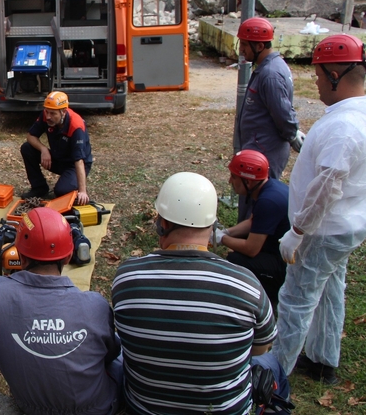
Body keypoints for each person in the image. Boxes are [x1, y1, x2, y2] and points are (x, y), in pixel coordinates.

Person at [112, 172, 287, 414]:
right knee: (272, 365)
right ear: (212, 225)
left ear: (163, 224)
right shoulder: (246, 283)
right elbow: (259, 348)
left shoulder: (126, 276)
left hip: (144, 410)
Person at [0, 207, 121, 415]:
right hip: (96, 408)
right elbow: (111, 353)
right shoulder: (96, 306)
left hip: (30, 405)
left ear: (19, 255)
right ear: (68, 257)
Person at [274, 34, 366, 385]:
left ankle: (275, 373)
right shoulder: (356, 115)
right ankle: (324, 360)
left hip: (322, 229)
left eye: (317, 75)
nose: (315, 82)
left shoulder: (344, 127)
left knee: (297, 298)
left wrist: (298, 231)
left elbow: (326, 187)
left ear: (335, 75)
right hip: (347, 224)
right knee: (330, 290)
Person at [216, 150, 290, 312]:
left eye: (234, 177)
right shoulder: (270, 187)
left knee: (236, 260)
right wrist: (226, 232)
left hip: (287, 267)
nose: (230, 181)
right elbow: (252, 222)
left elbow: (251, 249)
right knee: (238, 248)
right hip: (284, 253)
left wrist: (221, 239)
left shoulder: (268, 201)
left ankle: (263, 298)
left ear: (248, 182)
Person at [236, 17, 303, 180]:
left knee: (259, 194)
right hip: (260, 149)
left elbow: (283, 113)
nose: (241, 50)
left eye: (244, 44)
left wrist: (292, 134)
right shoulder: (269, 67)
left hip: (265, 152)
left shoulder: (270, 74)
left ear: (259, 46)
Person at [20, 91, 92, 205]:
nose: (48, 116)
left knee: (61, 191)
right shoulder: (46, 115)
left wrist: (82, 191)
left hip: (74, 164)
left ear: (63, 112)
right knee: (27, 148)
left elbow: (79, 160)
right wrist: (43, 149)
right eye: (47, 112)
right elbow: (30, 136)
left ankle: (70, 183)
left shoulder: (76, 126)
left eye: (53, 113)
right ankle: (39, 188)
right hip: (57, 157)